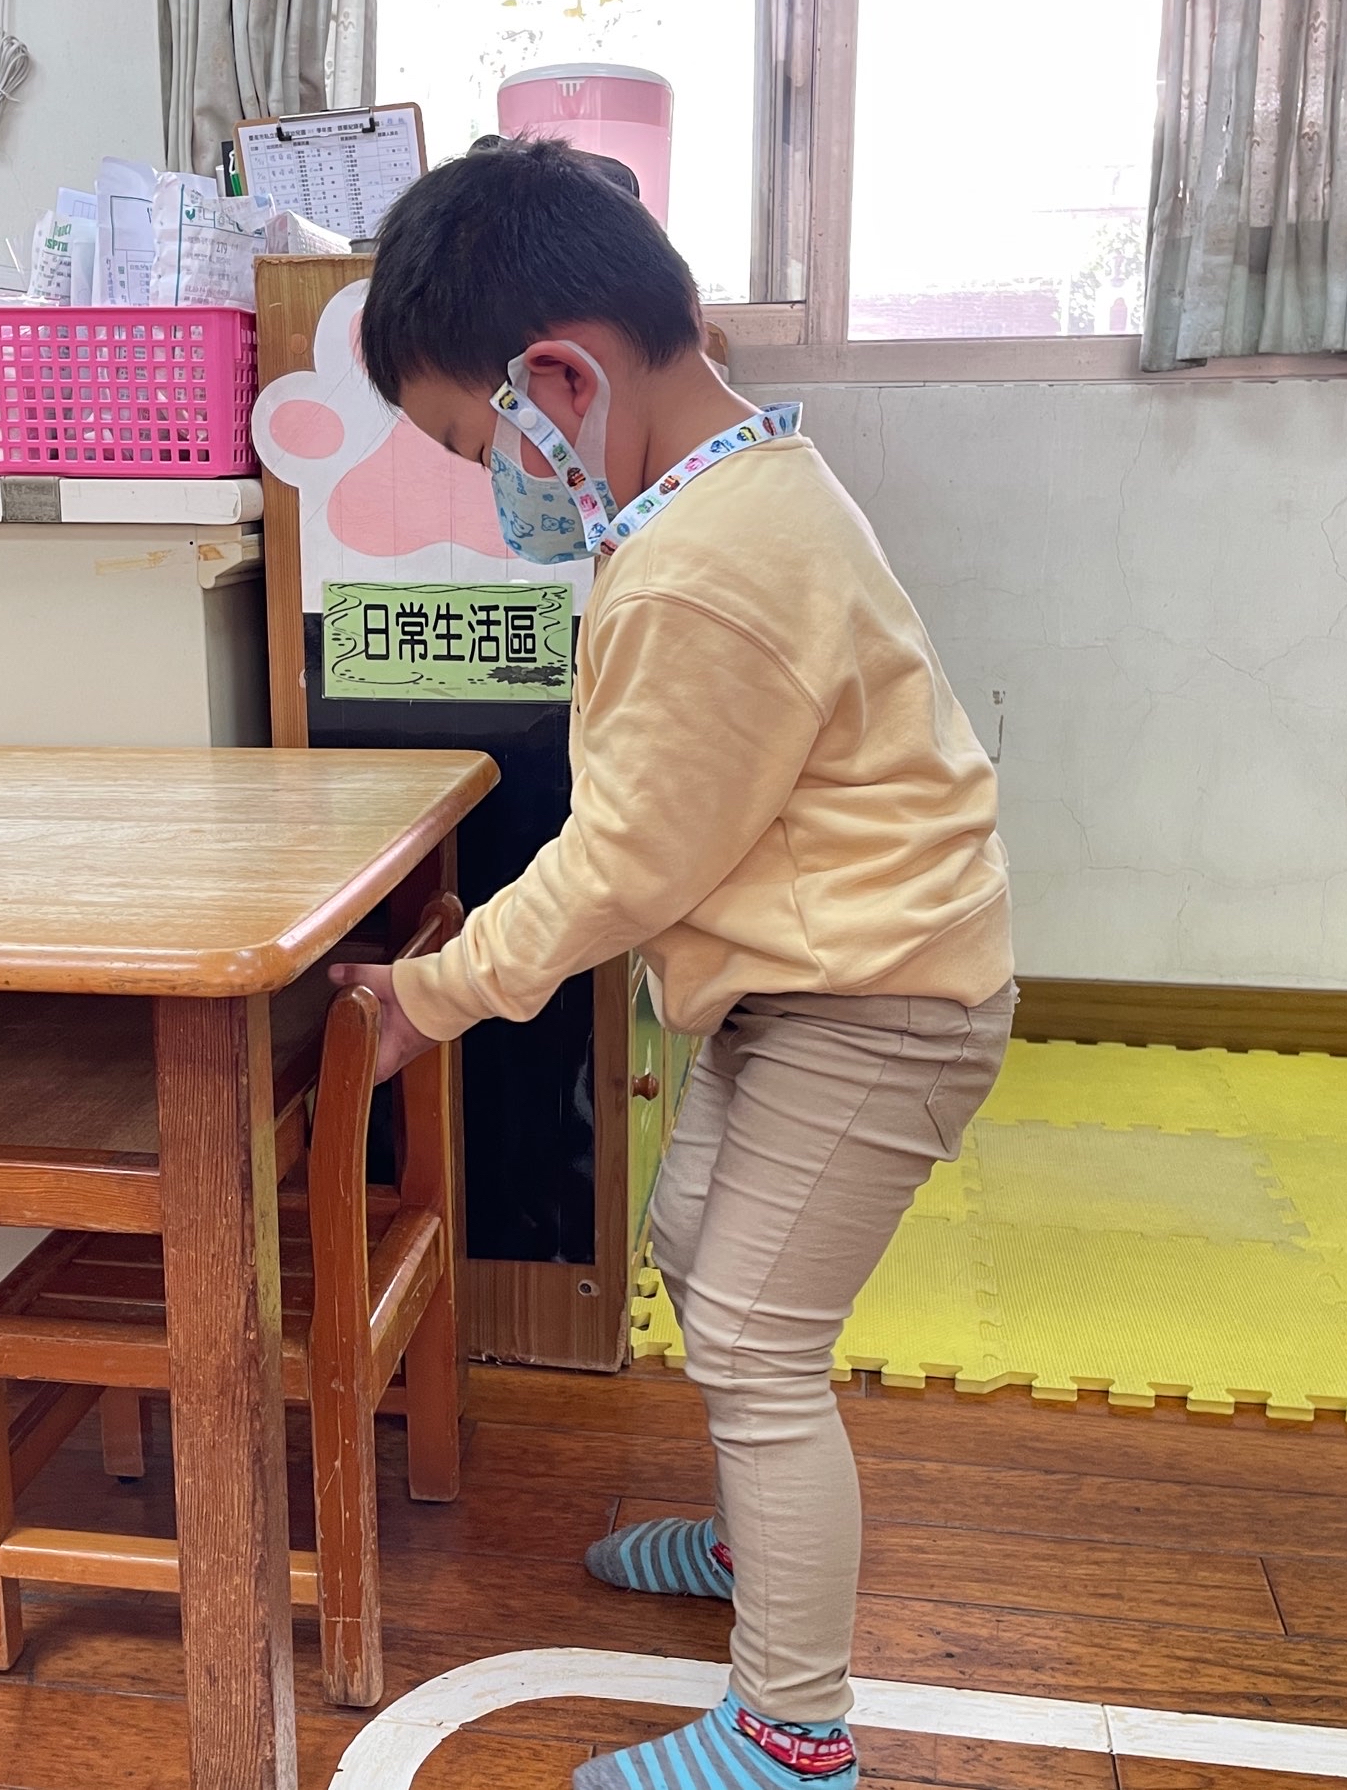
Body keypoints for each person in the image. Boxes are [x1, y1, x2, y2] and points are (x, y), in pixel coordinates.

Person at [332, 137, 1014, 1790]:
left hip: (879, 1007)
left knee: (759, 1342)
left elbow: (620, 866)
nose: (490, 484)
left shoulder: (704, 566)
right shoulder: (735, 491)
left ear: (562, 378)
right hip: (818, 982)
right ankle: (750, 1541)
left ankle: (794, 1736)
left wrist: (431, 997)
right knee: (704, 1245)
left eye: (475, 444)